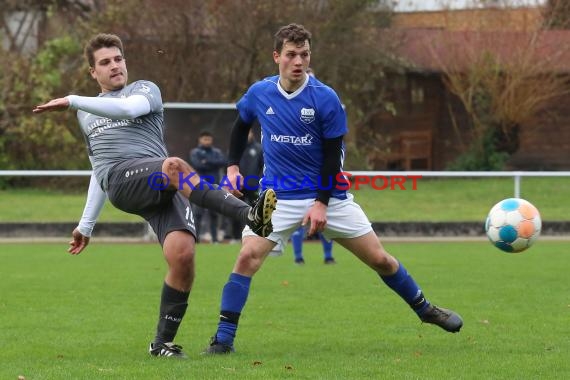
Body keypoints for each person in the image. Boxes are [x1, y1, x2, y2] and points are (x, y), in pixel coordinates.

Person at [204, 23, 462, 354]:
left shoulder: (325, 98)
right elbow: (240, 126)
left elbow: (332, 158)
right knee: (246, 258)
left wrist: (321, 203)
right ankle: (223, 341)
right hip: (277, 198)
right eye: (291, 55)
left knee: (381, 260)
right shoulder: (259, 92)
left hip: (328, 196)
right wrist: (233, 166)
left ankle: (425, 309)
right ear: (276, 57)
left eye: (305, 55)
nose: (299, 61)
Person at [32, 33, 277, 359]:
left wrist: (73, 99)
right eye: (105, 62)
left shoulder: (144, 89)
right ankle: (248, 214)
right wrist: (86, 223)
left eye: (118, 58)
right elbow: (98, 168)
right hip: (121, 180)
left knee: (183, 256)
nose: (115, 66)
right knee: (175, 165)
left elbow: (128, 109)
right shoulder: (85, 111)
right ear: (93, 72)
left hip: (161, 181)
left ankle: (162, 344)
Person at [189, 130, 226, 243]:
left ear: (212, 140)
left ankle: (215, 239)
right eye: (205, 139)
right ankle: (196, 239)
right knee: (197, 214)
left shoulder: (217, 152)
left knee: (214, 214)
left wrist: (206, 162)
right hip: (199, 187)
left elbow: (223, 161)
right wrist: (212, 163)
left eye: (209, 139)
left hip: (214, 187)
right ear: (200, 140)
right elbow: (197, 164)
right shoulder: (195, 152)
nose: (207, 141)